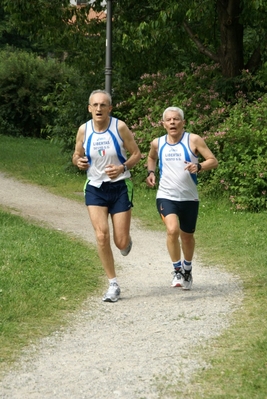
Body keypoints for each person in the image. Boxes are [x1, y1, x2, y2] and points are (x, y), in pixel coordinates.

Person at [72, 89, 141, 302]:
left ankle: (126, 242)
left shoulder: (119, 127)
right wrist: (78, 161)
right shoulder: (83, 130)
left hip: (120, 186)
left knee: (120, 242)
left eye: (103, 105)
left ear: (109, 108)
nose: (99, 108)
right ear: (89, 108)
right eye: (95, 105)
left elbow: (136, 154)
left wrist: (122, 168)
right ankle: (113, 284)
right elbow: (77, 154)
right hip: (95, 187)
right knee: (101, 235)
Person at [146, 106, 218, 290]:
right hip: (166, 195)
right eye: (169, 120)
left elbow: (213, 160)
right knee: (172, 230)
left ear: (183, 122)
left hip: (189, 198)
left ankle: (187, 269)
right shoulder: (158, 142)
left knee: (187, 236)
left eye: (176, 119)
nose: (172, 122)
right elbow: (151, 157)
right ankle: (177, 270)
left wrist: (199, 166)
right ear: (163, 124)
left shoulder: (193, 140)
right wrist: (151, 172)